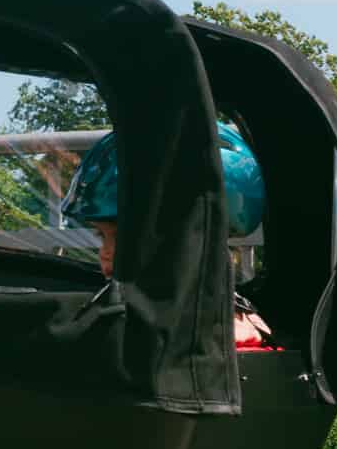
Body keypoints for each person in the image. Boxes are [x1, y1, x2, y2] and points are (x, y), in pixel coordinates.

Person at [62, 120, 272, 347]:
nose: (105, 253)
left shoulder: (226, 338)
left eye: (124, 238)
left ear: (197, 237)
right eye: (101, 237)